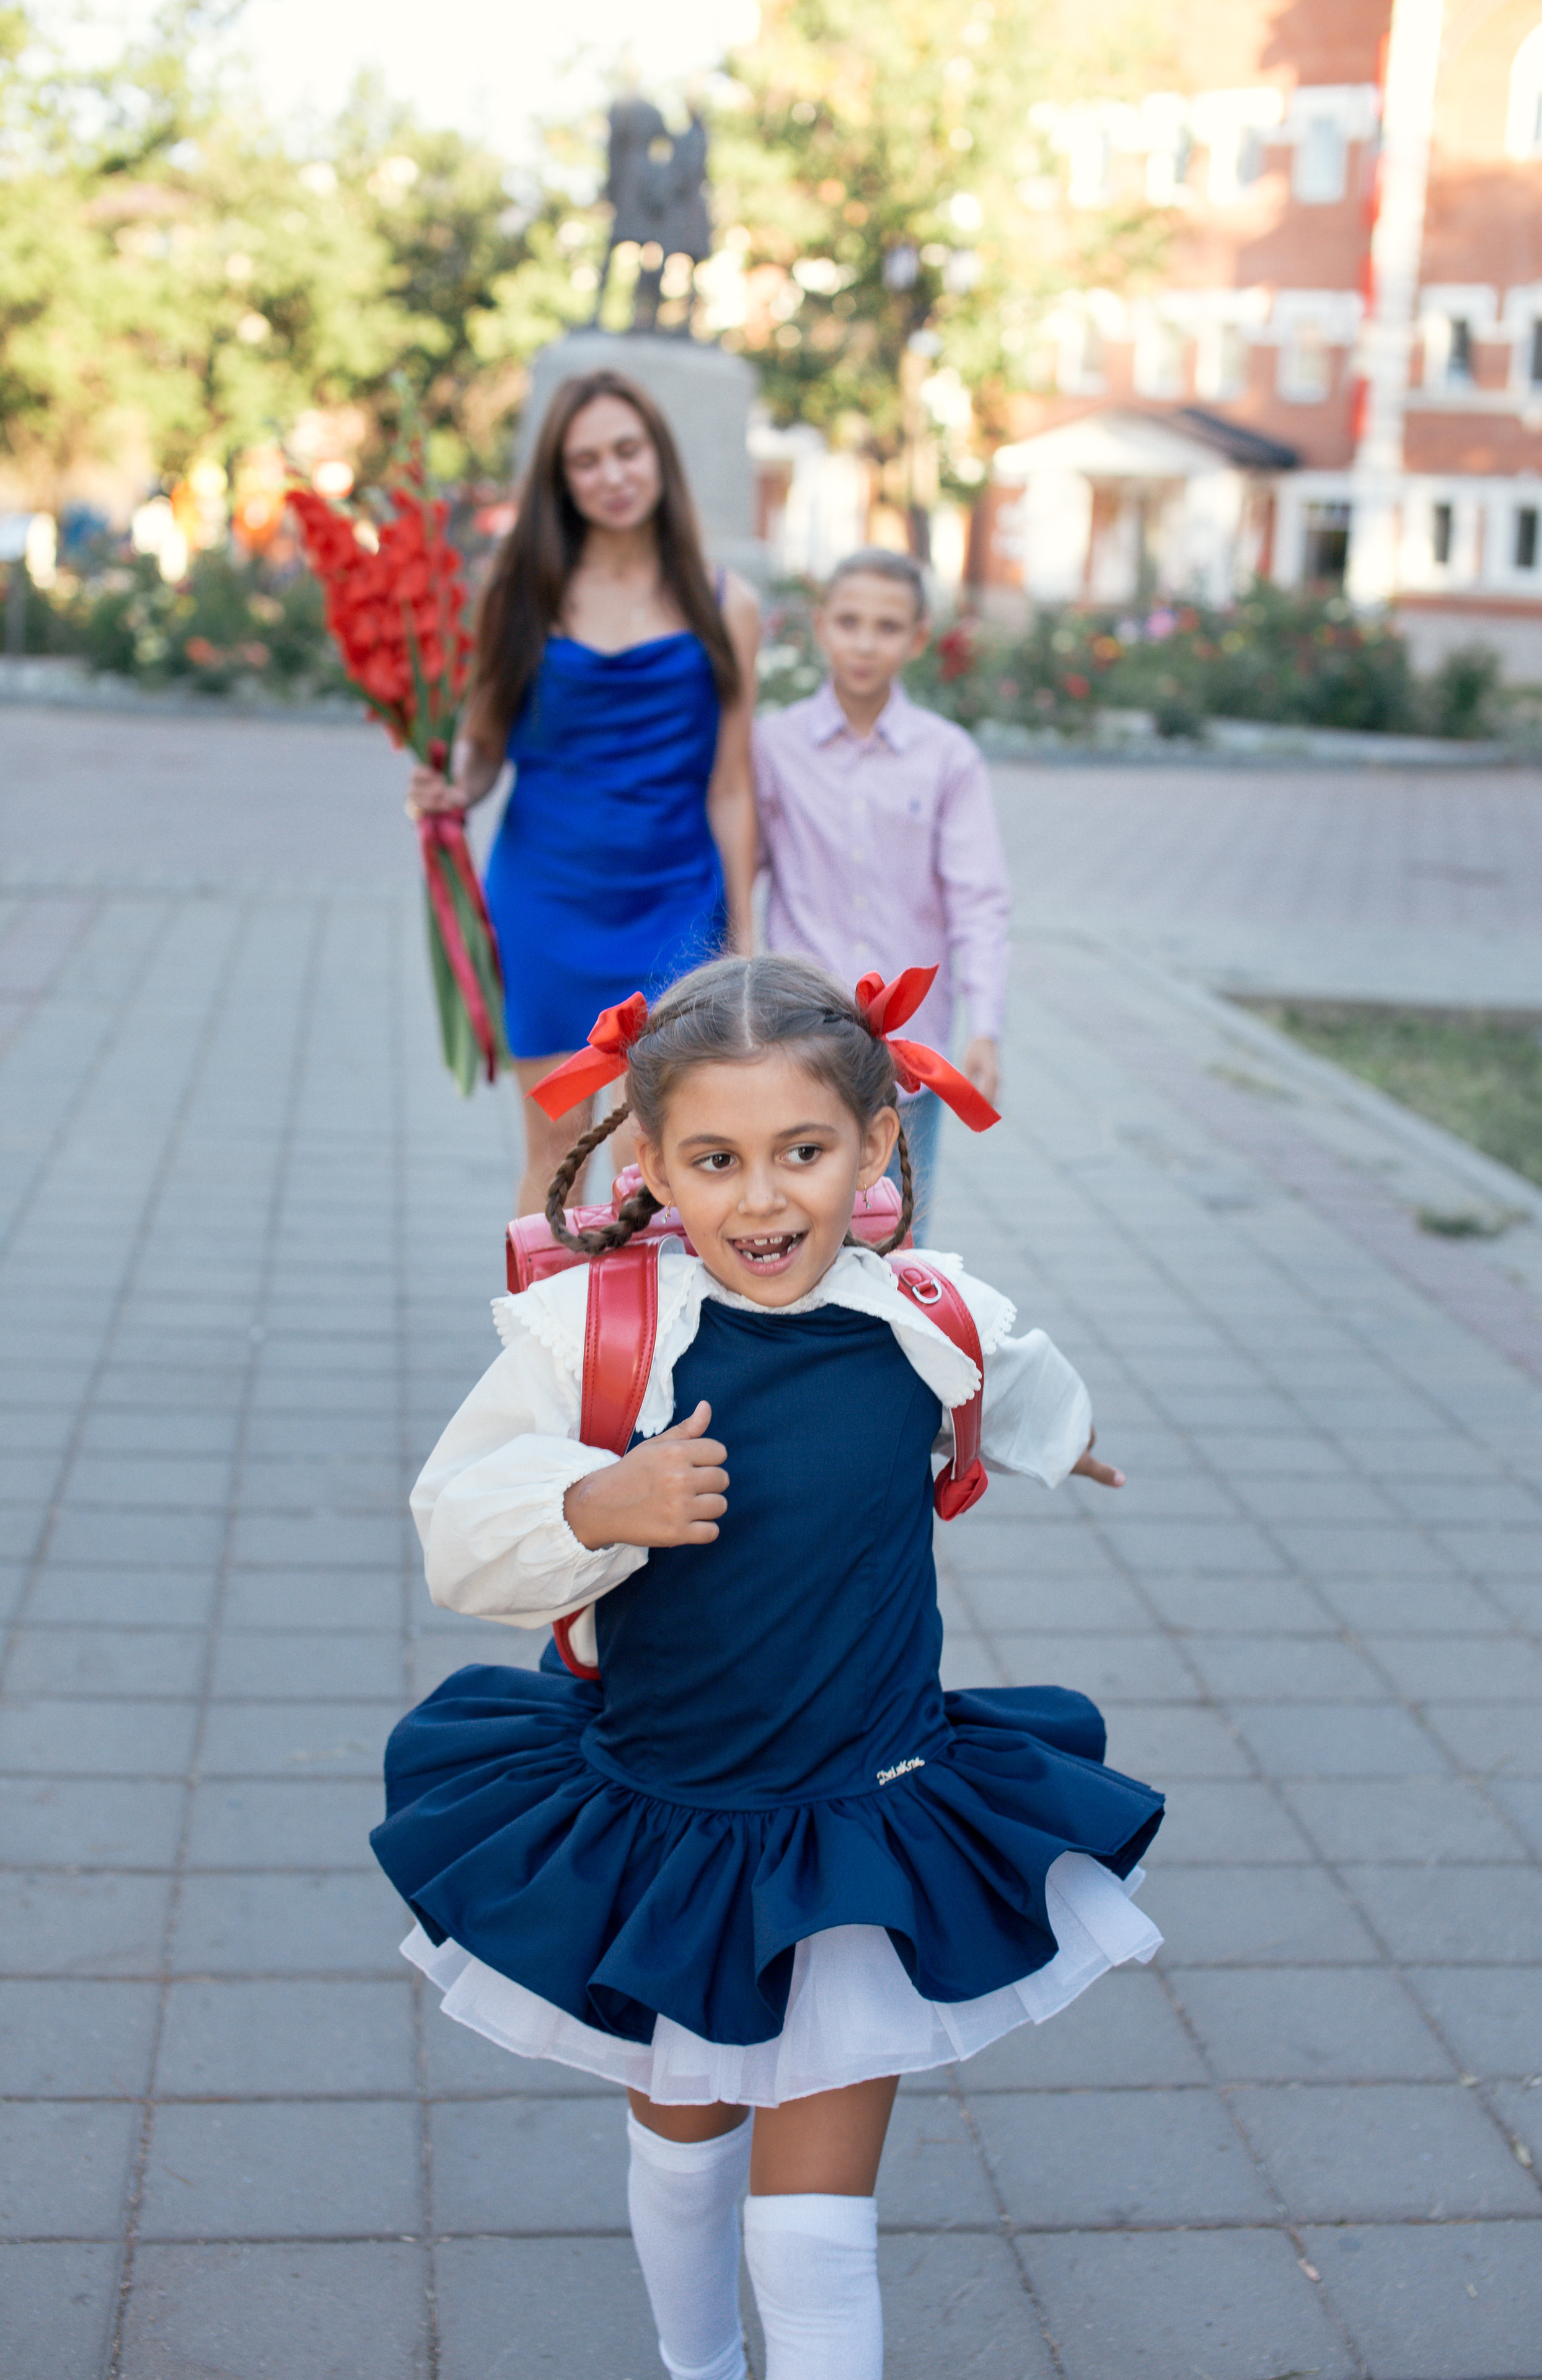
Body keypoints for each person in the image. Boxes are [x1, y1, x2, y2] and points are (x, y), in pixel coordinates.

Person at [371, 953, 1164, 2380]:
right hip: (664, 1826)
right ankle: (696, 2360)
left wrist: (1066, 1435)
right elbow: (457, 1525)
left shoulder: (928, 1317)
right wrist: (593, 1505)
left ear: (875, 1141)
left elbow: (1021, 1374)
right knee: (683, 2154)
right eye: (713, 1159)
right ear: (651, 1158)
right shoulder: (592, 1340)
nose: (759, 1198)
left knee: (816, 2232)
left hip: (864, 1826)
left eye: (801, 1151)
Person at [408, 369, 760, 1215]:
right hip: (548, 903)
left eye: (627, 450)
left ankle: (651, 1348)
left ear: (659, 458)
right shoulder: (519, 595)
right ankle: (546, 1348)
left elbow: (734, 785)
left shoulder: (726, 602)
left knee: (664, 1159)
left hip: (679, 908)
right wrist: (453, 786)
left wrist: (744, 939)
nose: (612, 474)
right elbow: (488, 745)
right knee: (558, 1151)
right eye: (587, 460)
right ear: (561, 481)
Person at [754, 549, 1008, 1235]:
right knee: (793, 1228)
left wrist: (984, 1022)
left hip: (908, 1045)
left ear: (918, 638)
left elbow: (977, 899)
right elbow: (730, 862)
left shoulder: (947, 756)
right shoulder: (771, 747)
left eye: (888, 627)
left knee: (897, 1236)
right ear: (819, 625)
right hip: (798, 1036)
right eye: (849, 621)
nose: (865, 643)